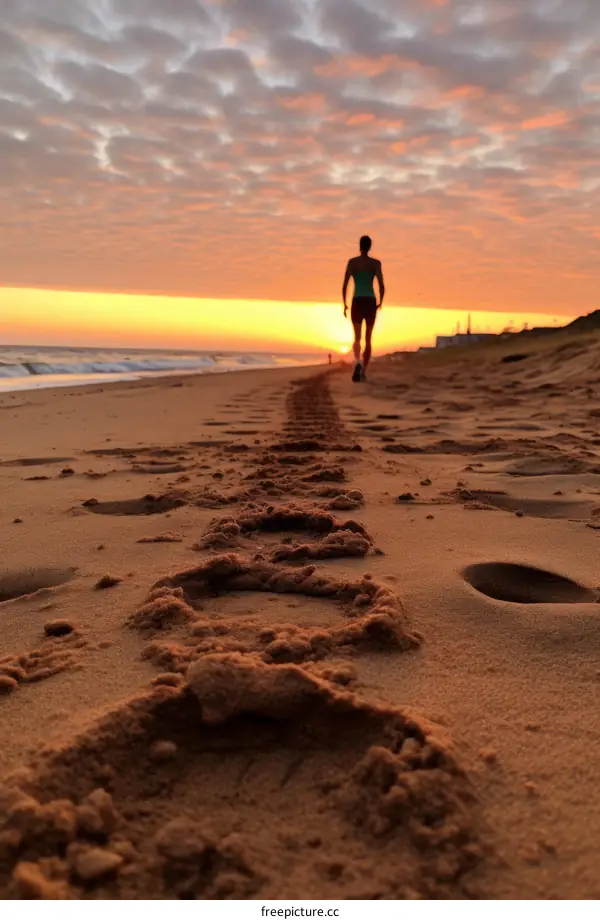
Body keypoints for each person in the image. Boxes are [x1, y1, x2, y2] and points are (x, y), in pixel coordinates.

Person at [342, 235, 384, 382]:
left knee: (357, 338)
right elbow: (381, 285)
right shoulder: (375, 264)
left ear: (359, 245)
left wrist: (344, 304)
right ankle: (364, 372)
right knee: (368, 339)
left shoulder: (352, 263)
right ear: (370, 246)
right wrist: (380, 302)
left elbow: (345, 285)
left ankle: (357, 363)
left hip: (357, 301)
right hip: (370, 301)